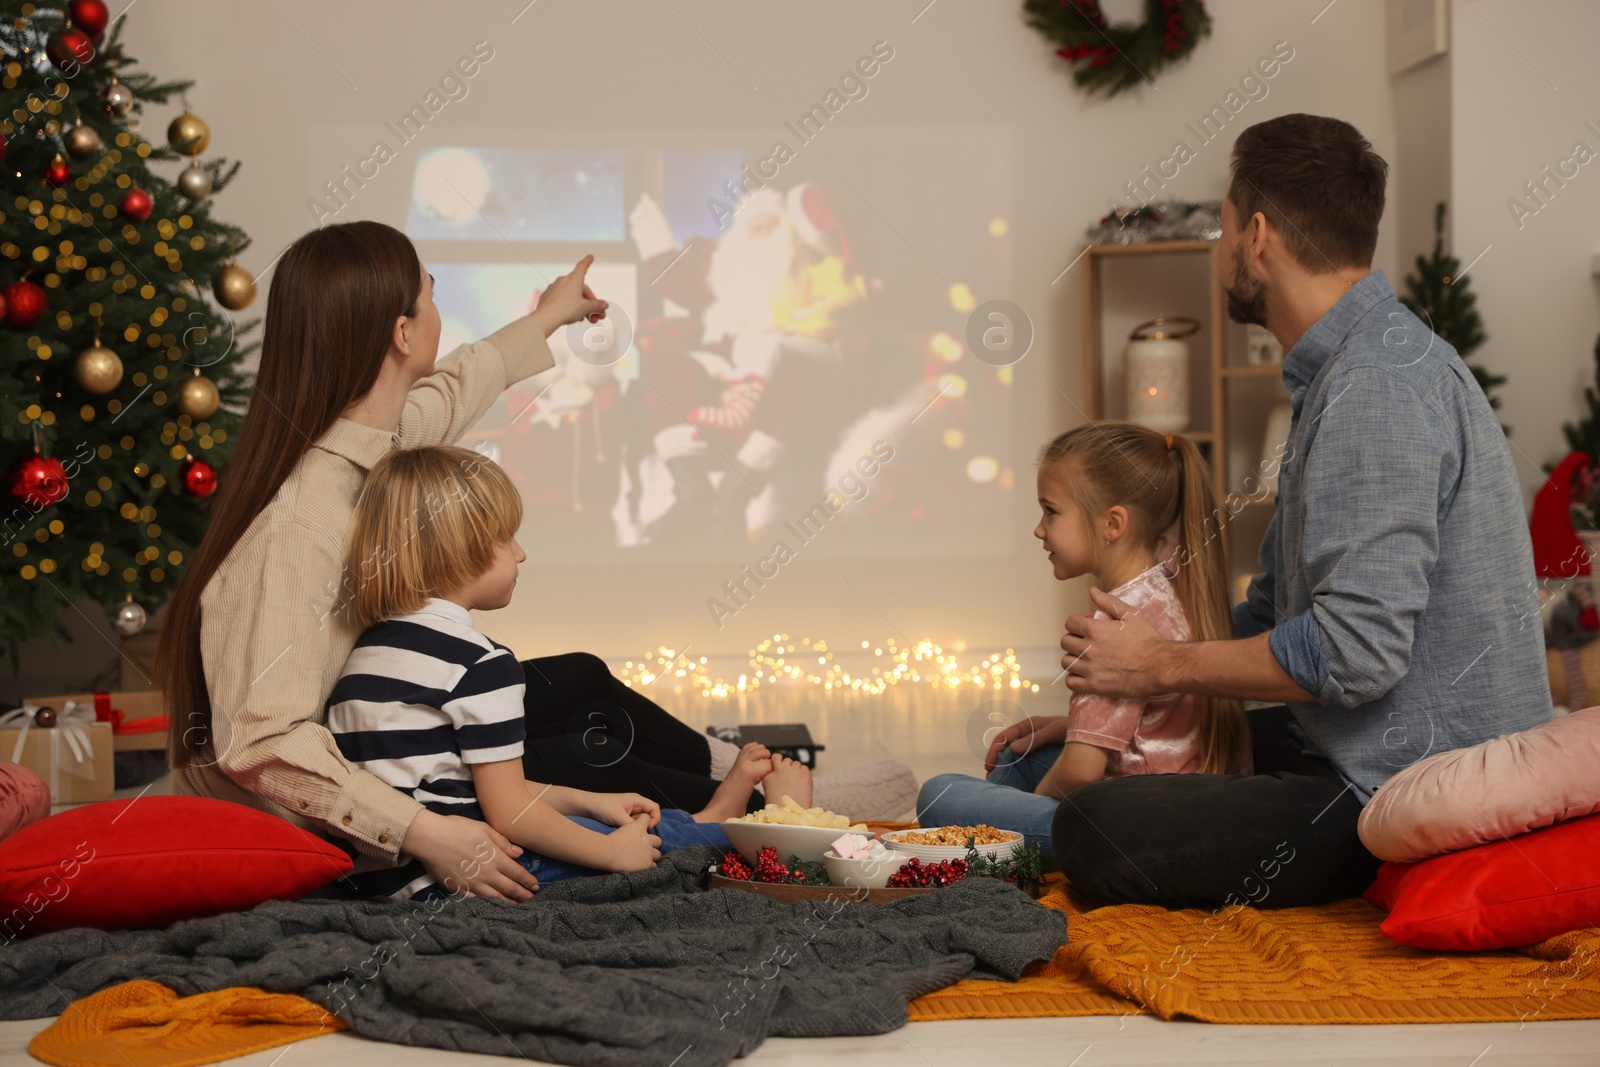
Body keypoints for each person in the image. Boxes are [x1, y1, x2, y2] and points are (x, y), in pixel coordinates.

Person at [1046, 114, 1551, 909]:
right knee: (1083, 769)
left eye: (1219, 231)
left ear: (1256, 237)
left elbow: (1354, 655)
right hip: (1351, 743)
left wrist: (1160, 667)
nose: (1220, 252)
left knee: (1094, 826)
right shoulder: (1345, 374)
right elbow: (1270, 612)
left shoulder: (1376, 386)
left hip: (1400, 781)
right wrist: (1108, 715)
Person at [326, 446, 790, 900]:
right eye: (506, 537)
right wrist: (609, 853)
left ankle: (709, 816)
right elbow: (509, 813)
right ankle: (776, 824)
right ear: (460, 551)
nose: (521, 553)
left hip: (382, 882)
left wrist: (588, 799)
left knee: (598, 819)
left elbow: (478, 788)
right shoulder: (480, 664)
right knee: (639, 838)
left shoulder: (367, 656)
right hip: (465, 878)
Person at [917, 424, 1248, 862]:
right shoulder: (1171, 582)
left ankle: (1015, 854)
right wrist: (1067, 728)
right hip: (1177, 804)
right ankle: (998, 856)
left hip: (1133, 831)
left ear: (1112, 524)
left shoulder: (1113, 630)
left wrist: (1032, 816)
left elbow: (1080, 771)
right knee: (1016, 754)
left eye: (1051, 512)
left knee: (939, 796)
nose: (1039, 530)